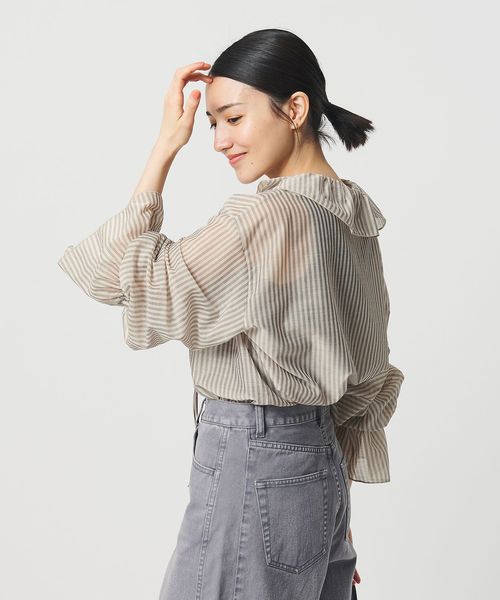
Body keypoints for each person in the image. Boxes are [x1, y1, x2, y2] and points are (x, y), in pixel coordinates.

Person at [58, 28, 404, 600]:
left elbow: (110, 274)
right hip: (315, 474)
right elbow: (367, 377)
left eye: (233, 118)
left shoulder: (266, 220)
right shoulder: (349, 212)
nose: (218, 140)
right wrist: (330, 509)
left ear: (295, 109)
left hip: (253, 461)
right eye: (210, 124)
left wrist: (164, 147)